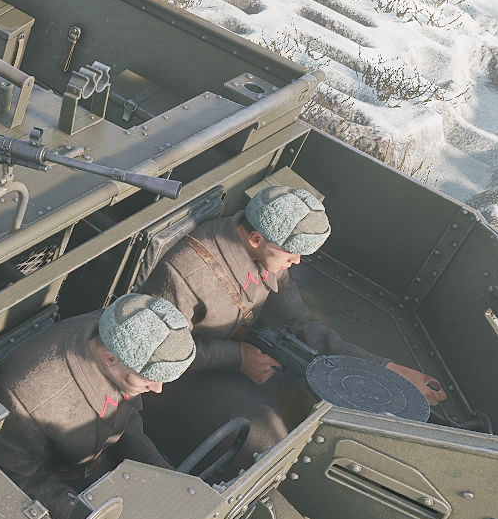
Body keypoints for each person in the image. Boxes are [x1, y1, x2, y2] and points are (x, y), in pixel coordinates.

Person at [140, 184, 446, 464]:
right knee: (265, 444)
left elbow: (297, 324)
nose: (297, 261)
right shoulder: (188, 274)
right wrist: (237, 358)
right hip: (172, 379)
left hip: (221, 355)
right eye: (292, 252)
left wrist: (385, 369)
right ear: (256, 238)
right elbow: (155, 355)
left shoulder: (267, 252)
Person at [0, 294, 194, 519]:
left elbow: (123, 416)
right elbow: (23, 477)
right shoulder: (32, 395)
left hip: (99, 461)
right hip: (56, 486)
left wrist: (164, 475)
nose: (157, 389)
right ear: (110, 359)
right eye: (148, 380)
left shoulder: (119, 329)